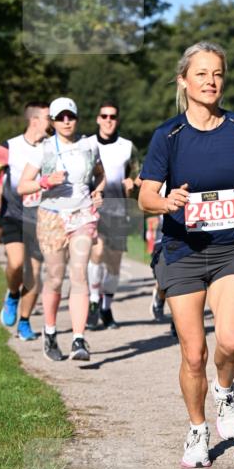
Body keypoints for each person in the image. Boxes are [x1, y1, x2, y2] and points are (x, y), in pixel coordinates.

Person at [138, 42, 234, 469]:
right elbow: (144, 195)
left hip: (231, 247)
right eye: (201, 74)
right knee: (193, 353)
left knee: (230, 340)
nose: (211, 81)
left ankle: (226, 389)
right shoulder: (168, 136)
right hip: (182, 251)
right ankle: (197, 429)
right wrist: (166, 202)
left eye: (217, 73)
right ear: (183, 81)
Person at [17, 98, 105, 361]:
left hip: (82, 215)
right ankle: (50, 331)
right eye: (60, 117)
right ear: (53, 122)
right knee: (55, 278)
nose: (66, 121)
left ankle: (79, 339)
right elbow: (23, 186)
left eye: (71, 116)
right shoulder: (42, 149)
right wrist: (45, 181)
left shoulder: (90, 145)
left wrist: (98, 191)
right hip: (52, 217)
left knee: (79, 274)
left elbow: (100, 175)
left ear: (77, 118)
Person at [0, 102, 50, 340]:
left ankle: (24, 322)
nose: (55, 121)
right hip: (13, 214)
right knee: (16, 264)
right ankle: (12, 295)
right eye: (49, 117)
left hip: (42, 219)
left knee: (34, 275)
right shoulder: (10, 146)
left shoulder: (52, 147)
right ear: (35, 120)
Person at [86, 101, 140, 330]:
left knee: (114, 264)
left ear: (117, 120)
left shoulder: (127, 147)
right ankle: (93, 301)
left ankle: (106, 308)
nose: (108, 120)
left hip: (119, 209)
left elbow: (140, 175)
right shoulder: (86, 144)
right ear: (98, 118)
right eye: (104, 116)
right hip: (93, 209)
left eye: (113, 117)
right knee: (97, 253)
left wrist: (133, 183)